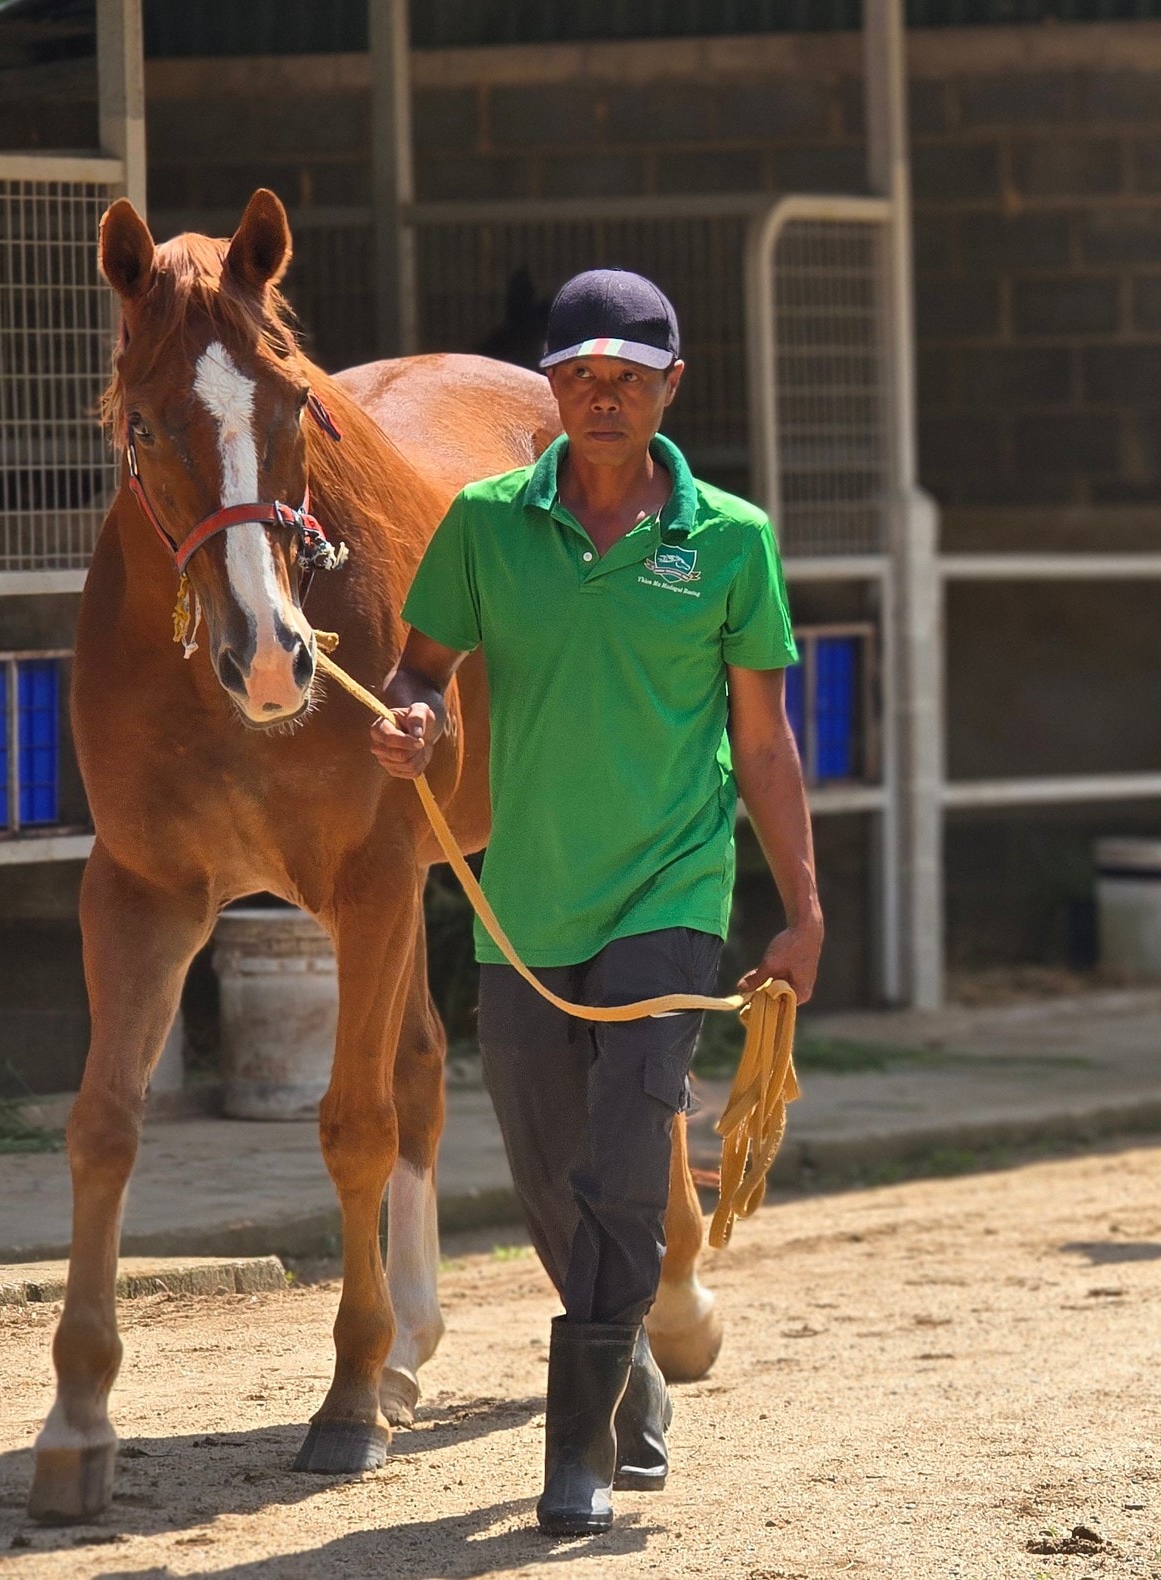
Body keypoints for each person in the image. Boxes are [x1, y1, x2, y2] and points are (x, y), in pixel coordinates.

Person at [368, 268, 821, 1533]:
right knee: (551, 1170)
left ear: (673, 386)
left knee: (629, 1155)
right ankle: (623, 1375)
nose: (601, 397)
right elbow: (421, 666)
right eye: (578, 376)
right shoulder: (484, 523)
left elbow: (768, 742)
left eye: (627, 377)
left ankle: (573, 1456)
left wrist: (803, 905)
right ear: (552, 387)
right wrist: (414, 716)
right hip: (527, 897)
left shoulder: (731, 538)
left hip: (672, 888)